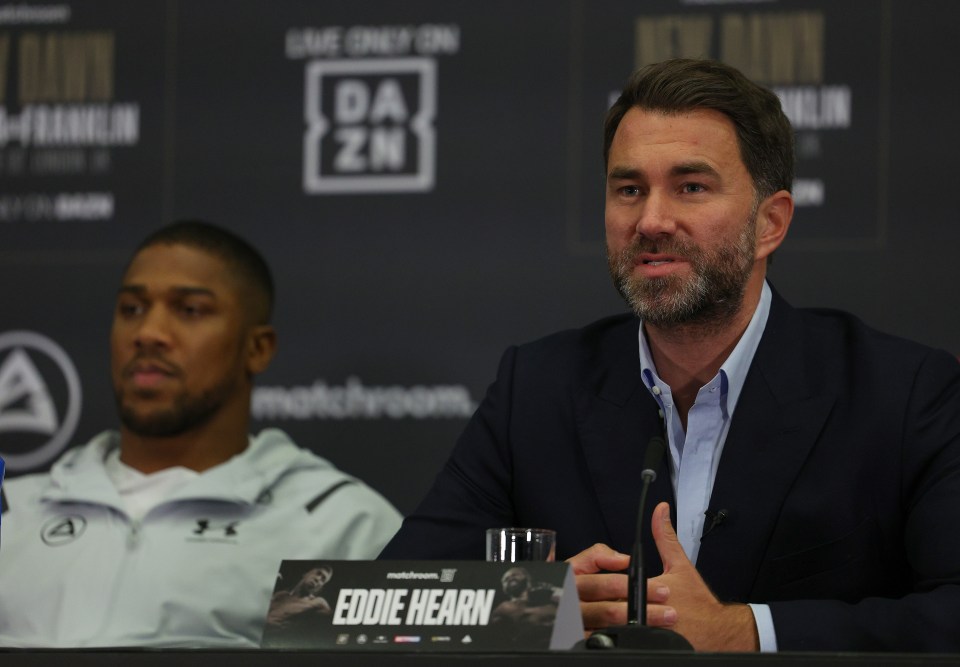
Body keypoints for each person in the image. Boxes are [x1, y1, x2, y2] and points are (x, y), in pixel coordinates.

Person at [379, 59, 960, 652]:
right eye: (629, 189)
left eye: (691, 187)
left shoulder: (904, 394)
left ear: (770, 223)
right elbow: (378, 605)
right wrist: (536, 609)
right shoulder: (535, 389)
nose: (651, 221)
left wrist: (746, 632)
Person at [0, 221, 402, 648]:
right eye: (132, 309)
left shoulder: (339, 526)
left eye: (189, 310)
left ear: (257, 348)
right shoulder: (12, 511)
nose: (148, 334)